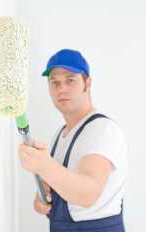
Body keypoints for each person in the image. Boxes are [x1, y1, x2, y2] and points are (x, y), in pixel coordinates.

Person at [18, 49, 127, 231]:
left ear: (88, 83)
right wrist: (43, 199)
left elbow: (88, 194)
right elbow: (63, 186)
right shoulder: (61, 134)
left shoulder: (102, 130)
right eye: (55, 82)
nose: (61, 88)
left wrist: (43, 166)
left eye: (70, 80)